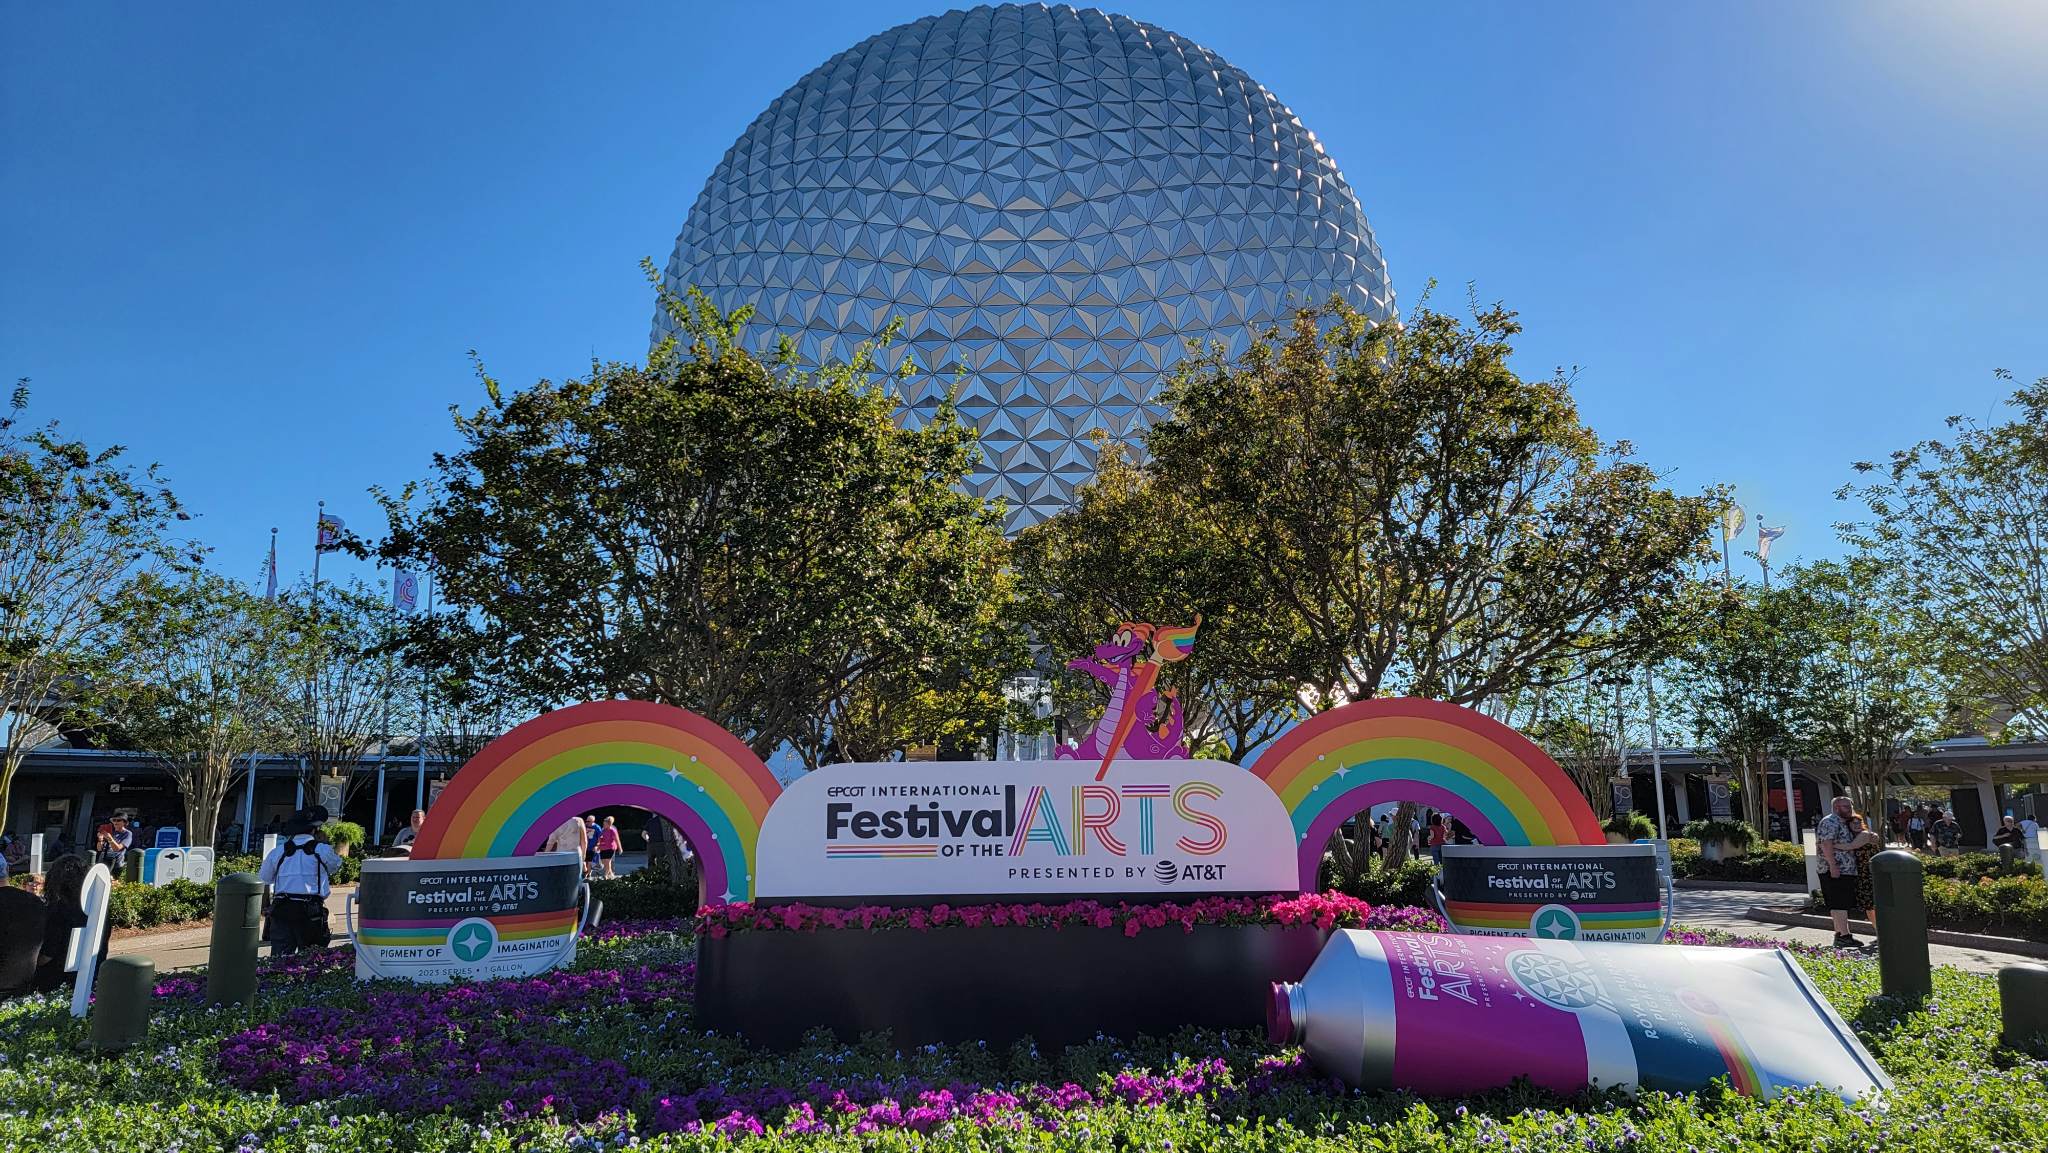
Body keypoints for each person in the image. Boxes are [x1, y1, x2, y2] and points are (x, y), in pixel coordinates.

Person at [257, 809, 342, 956]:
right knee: (312, 959)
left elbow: (265, 878)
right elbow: (335, 867)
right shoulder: (322, 850)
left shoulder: (278, 852)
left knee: (279, 959)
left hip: (282, 909)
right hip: (311, 911)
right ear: (315, 830)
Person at [32, 854, 104, 993]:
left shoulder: (57, 911)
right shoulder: (98, 911)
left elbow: (47, 956)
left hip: (55, 982)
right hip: (91, 978)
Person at [1815, 795, 1877, 950]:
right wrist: (1833, 865)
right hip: (1835, 869)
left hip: (1848, 870)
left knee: (1841, 903)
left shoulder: (1846, 823)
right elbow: (1826, 844)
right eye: (1846, 807)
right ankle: (1843, 936)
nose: (1850, 809)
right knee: (1838, 903)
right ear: (1836, 807)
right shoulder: (1830, 822)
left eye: (1850, 806)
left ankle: (1842, 935)